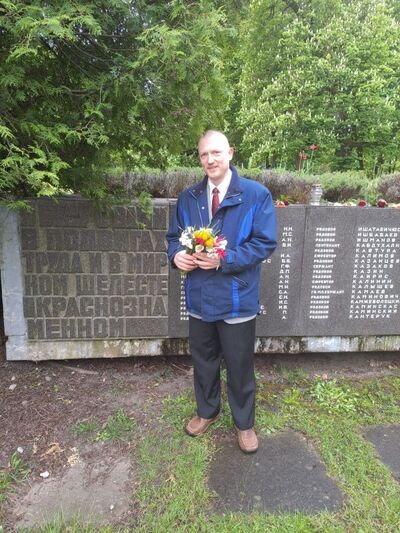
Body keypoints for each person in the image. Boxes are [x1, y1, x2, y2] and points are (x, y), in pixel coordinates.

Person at [166, 130, 277, 453]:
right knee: (203, 360)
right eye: (204, 154)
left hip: (237, 297)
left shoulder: (256, 195)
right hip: (199, 296)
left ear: (230, 153)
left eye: (216, 152)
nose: (210, 160)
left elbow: (264, 243)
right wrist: (176, 255)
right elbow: (173, 237)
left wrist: (224, 259)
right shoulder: (189, 198)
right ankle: (207, 411)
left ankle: (244, 424)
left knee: (239, 364)